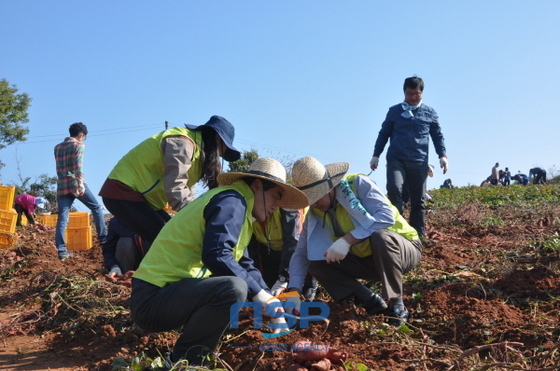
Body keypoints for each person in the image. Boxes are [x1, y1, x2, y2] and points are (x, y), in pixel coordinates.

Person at [130, 158, 308, 368]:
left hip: (166, 295)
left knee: (239, 286)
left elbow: (245, 264)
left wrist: (269, 298)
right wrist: (259, 296)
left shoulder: (237, 206)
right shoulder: (232, 201)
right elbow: (216, 254)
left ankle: (193, 351)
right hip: (153, 299)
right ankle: (182, 361)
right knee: (233, 288)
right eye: (275, 197)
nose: (276, 206)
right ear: (257, 186)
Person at [286, 157, 422, 328]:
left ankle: (397, 305)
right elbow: (301, 253)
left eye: (316, 197)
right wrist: (294, 291)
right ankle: (370, 301)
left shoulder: (357, 185)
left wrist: (348, 239)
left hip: (402, 252)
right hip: (367, 261)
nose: (313, 204)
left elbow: (385, 217)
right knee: (315, 261)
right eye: (309, 200)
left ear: (329, 188)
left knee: (381, 236)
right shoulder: (315, 213)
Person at [100, 115, 241, 246]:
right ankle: (155, 273)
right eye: (222, 150)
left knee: (175, 234)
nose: (220, 155)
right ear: (216, 139)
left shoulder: (198, 154)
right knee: (169, 240)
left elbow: (187, 190)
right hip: (122, 191)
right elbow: (176, 186)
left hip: (143, 199)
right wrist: (200, 219)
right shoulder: (182, 143)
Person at [369, 76, 447, 237]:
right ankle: (397, 230)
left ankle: (418, 234)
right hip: (396, 159)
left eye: (416, 94)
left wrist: (442, 155)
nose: (412, 97)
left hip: (419, 161)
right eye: (409, 94)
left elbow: (437, 136)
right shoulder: (394, 111)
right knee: (395, 190)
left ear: (422, 93)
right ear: (404, 92)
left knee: (418, 200)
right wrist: (376, 155)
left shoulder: (430, 113)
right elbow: (384, 134)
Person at [54, 122, 107, 261]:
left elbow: (59, 168)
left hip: (62, 186)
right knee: (96, 207)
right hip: (75, 183)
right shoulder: (79, 145)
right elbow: (78, 166)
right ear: (81, 135)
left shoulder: (57, 147)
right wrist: (81, 184)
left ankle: (62, 251)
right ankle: (103, 239)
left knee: (62, 219)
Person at [248, 207, 318, 300]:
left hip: (301, 250)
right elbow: (252, 248)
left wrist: (284, 277)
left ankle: (309, 290)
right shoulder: (249, 209)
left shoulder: (289, 207)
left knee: (300, 290)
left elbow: (293, 241)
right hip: (270, 249)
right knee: (269, 289)